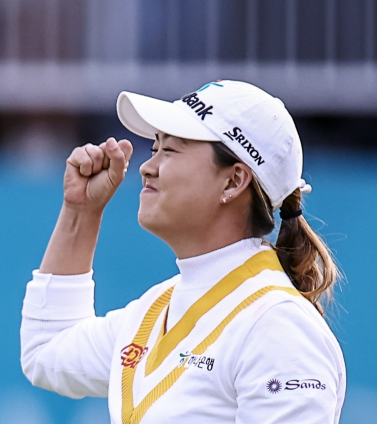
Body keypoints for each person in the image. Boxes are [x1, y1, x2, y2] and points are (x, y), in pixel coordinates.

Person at [20, 80, 346, 423]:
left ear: (234, 181)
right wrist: (81, 212)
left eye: (171, 151)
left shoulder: (278, 325)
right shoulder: (154, 310)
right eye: (154, 148)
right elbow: (47, 351)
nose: (148, 167)